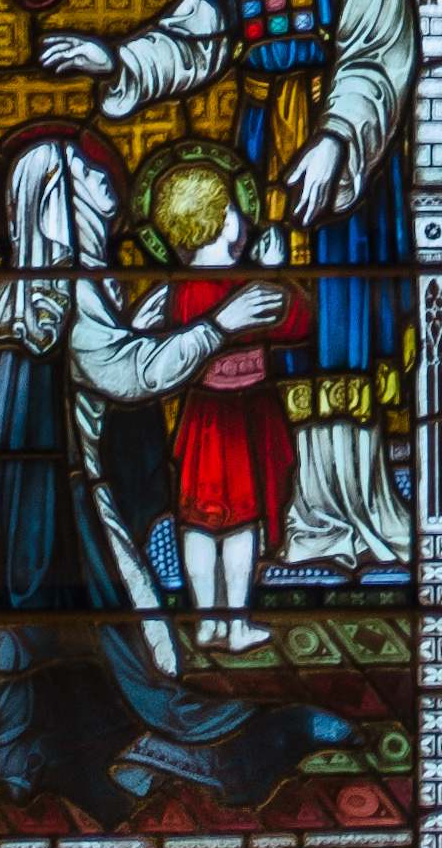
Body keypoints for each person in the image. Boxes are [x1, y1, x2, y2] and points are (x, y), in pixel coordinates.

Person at [39, 0, 414, 577]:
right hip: (261, 151)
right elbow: (192, 40)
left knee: (338, 326)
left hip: (343, 165)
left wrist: (338, 138)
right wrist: (114, 56)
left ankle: (353, 508)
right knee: (273, 325)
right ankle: (296, 522)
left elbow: (379, 50)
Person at [0, 128, 346, 814]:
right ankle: (222, 749)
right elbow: (125, 370)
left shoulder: (25, 289)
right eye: (91, 178)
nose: (108, 192)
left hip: (32, 510)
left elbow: (108, 352)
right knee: (127, 656)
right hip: (65, 513)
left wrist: (155, 320)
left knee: (95, 654)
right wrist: (220, 323)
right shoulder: (60, 288)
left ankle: (65, 754)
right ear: (57, 199)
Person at [128, 139, 309, 646]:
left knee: (199, 523)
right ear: (217, 220)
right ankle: (236, 624)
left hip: (200, 419)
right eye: (231, 208)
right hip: (243, 418)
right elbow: (294, 322)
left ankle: (206, 621)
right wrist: (275, 273)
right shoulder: (241, 285)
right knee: (242, 524)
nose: (240, 219)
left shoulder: (179, 289)